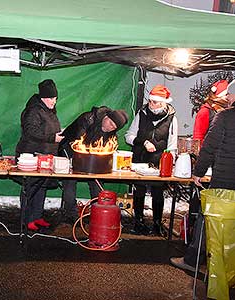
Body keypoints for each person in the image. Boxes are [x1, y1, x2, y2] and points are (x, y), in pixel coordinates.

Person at [170, 94, 235, 274]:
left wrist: (198, 172)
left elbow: (209, 147)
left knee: (207, 217)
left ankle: (192, 260)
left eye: (230, 93)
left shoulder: (225, 116)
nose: (227, 97)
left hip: (224, 181)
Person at [58, 106, 128, 223]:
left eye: (113, 127)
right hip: (69, 150)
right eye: (110, 123)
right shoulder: (88, 118)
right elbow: (78, 141)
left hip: (91, 158)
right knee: (69, 181)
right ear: (106, 117)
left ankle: (97, 212)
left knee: (97, 182)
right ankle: (70, 214)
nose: (109, 127)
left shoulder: (111, 134)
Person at [125, 84, 178, 235]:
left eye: (155, 102)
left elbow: (172, 145)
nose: (151, 105)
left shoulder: (172, 118)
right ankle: (138, 222)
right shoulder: (141, 113)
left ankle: (156, 223)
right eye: (150, 101)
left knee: (157, 192)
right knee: (139, 191)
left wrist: (170, 163)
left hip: (159, 162)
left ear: (164, 103)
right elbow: (129, 136)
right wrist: (142, 142)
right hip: (140, 160)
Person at [15, 79, 63, 231]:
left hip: (45, 156)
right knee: (30, 187)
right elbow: (31, 131)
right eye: (51, 98)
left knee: (41, 186)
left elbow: (49, 129)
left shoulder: (48, 110)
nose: (54, 101)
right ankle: (26, 219)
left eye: (55, 98)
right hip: (31, 155)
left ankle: (37, 217)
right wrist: (52, 137)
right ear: (43, 97)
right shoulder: (33, 110)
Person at [192, 79, 229, 145]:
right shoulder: (205, 111)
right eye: (226, 94)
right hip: (209, 152)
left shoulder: (227, 109)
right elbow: (198, 137)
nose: (228, 97)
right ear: (218, 95)